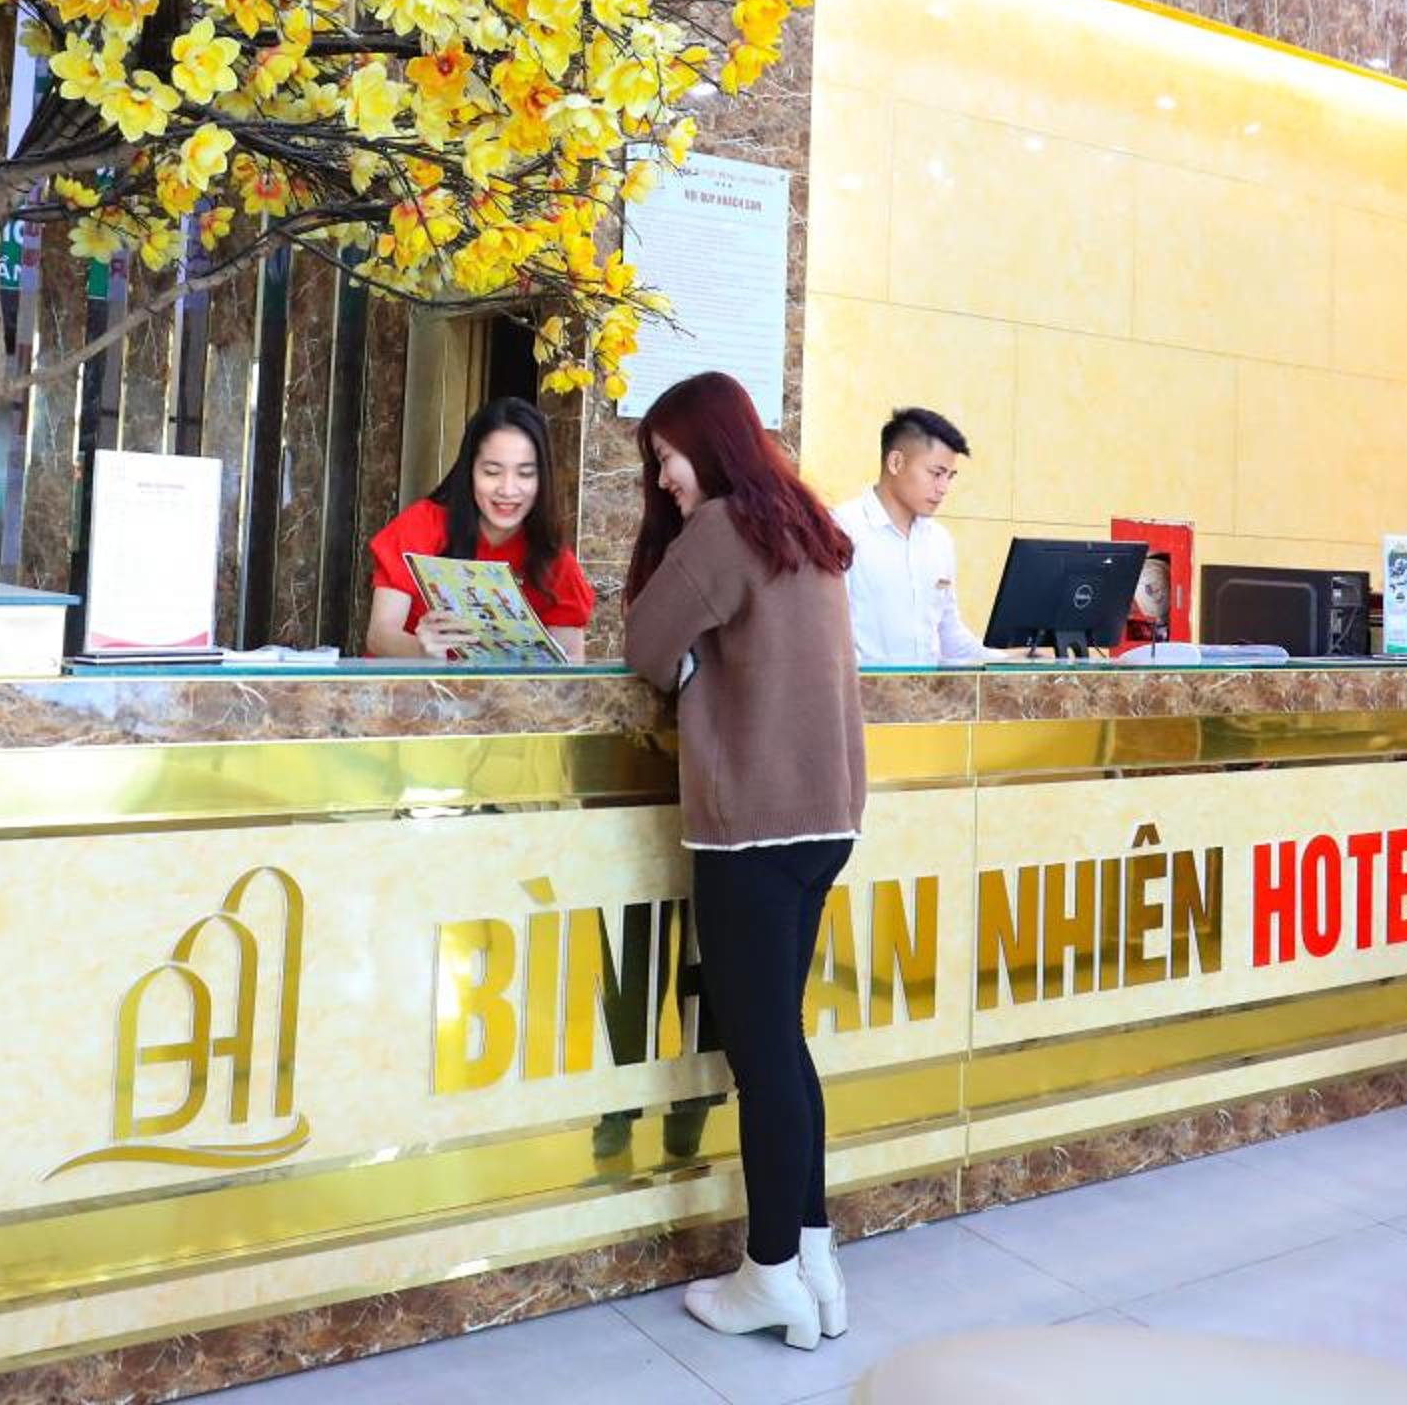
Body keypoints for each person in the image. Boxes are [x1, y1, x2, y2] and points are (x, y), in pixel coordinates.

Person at [623, 371, 866, 1352]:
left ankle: (767, 1274)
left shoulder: (722, 529)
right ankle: (812, 1256)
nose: (663, 479)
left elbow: (645, 644)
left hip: (753, 829)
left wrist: (685, 661)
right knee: (784, 1045)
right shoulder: (801, 523)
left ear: (707, 444)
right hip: (824, 822)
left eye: (666, 458)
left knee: (762, 1058)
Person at [366, 397, 594, 662]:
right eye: (492, 472)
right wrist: (422, 651)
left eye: (525, 474)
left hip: (503, 691)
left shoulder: (556, 561)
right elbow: (380, 635)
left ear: (543, 478)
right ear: (470, 471)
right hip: (411, 686)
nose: (508, 490)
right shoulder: (422, 524)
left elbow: (570, 665)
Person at [831, 406, 988, 666]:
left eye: (950, 476)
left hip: (927, 693)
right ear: (896, 463)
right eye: (936, 474)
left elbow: (950, 639)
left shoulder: (939, 541)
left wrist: (1011, 659)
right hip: (863, 690)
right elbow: (831, 639)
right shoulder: (842, 528)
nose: (944, 488)